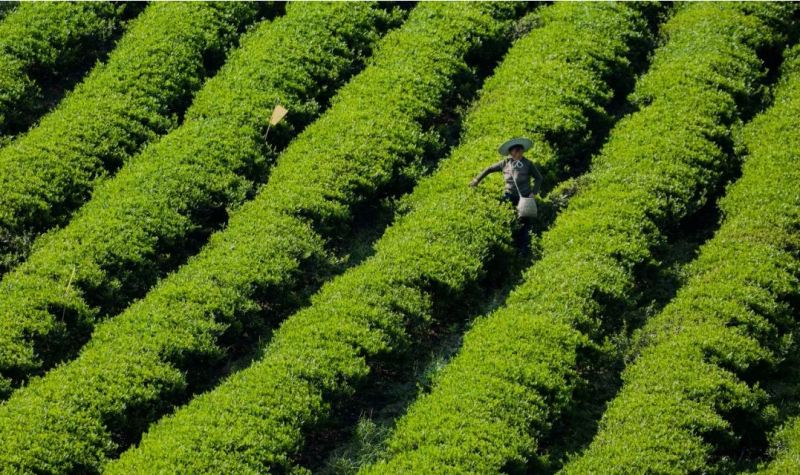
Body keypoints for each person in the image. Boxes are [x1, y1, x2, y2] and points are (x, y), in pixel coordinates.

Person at [469, 137, 542, 255]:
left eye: (519, 150)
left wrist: (533, 192)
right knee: (510, 221)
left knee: (525, 224)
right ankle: (512, 249)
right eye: (514, 150)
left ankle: (524, 250)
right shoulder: (505, 163)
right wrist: (477, 179)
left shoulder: (528, 164)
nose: (517, 152)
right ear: (510, 152)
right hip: (508, 197)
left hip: (524, 198)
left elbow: (538, 178)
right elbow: (489, 169)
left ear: (522, 151)